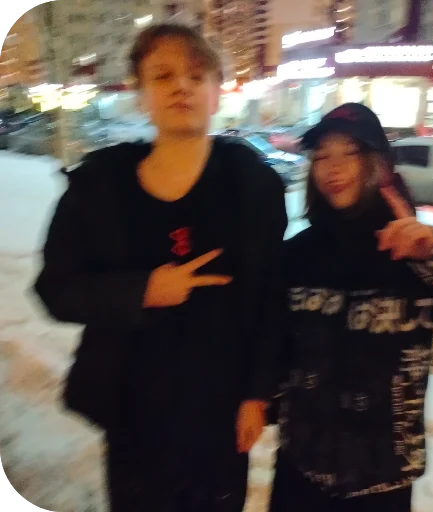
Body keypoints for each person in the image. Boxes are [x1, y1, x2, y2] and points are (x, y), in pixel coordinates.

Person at [34, 24, 287, 512]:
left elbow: (270, 300)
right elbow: (55, 288)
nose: (181, 87)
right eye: (163, 75)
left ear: (216, 93)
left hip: (219, 411)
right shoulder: (100, 188)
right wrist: (142, 291)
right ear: (140, 94)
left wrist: (257, 395)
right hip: (132, 410)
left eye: (196, 75)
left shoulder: (250, 185)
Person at [270, 103, 433, 512]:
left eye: (349, 152)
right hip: (299, 474)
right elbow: (271, 352)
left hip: (382, 486)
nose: (333, 167)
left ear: (380, 165)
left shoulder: (414, 253)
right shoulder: (298, 256)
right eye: (322, 156)